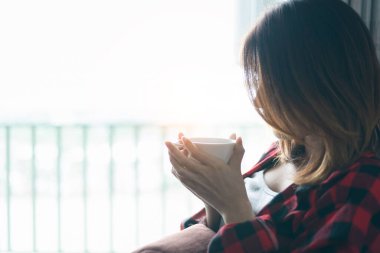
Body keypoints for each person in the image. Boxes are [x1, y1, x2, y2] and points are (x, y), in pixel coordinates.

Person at [135, 0, 380, 252]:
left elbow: (237, 222)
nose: (258, 97)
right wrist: (213, 196)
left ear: (316, 82)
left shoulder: (362, 187)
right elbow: (214, 235)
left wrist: (234, 206)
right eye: (258, 79)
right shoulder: (280, 152)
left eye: (271, 81)